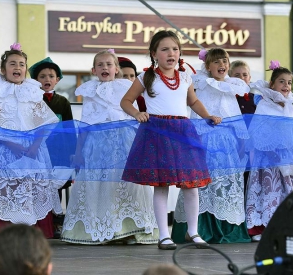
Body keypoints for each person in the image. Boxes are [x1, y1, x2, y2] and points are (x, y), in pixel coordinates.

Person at [120, 30, 221, 250]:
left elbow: (193, 102)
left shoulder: (185, 77)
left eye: (175, 49)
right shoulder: (146, 77)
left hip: (183, 132)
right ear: (154, 53)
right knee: (161, 185)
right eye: (165, 49)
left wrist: (207, 116)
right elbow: (126, 101)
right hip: (157, 133)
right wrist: (137, 113)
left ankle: (193, 232)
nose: (171, 53)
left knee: (191, 185)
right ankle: (163, 235)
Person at [61, 49, 158, 245]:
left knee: (128, 185)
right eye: (100, 65)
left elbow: (136, 117)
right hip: (98, 145)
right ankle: (102, 229)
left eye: (109, 64)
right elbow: (86, 123)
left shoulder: (126, 87)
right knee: (100, 185)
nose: (105, 67)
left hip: (124, 143)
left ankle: (131, 229)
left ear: (116, 69)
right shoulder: (89, 91)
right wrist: (79, 153)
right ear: (94, 70)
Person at [0, 43, 62, 243]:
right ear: (4, 70)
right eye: (12, 63)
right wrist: (13, 145)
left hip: (32, 150)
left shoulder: (33, 92)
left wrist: (34, 146)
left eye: (22, 64)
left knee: (29, 189)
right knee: (7, 189)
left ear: (25, 69)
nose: (18, 67)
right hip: (4, 149)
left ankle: (31, 232)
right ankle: (3, 232)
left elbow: (46, 121)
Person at [172, 48, 251, 244]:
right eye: (216, 62)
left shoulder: (231, 87)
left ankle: (226, 228)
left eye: (224, 61)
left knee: (225, 183)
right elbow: (196, 112)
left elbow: (235, 117)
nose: (221, 65)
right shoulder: (202, 85)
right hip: (205, 142)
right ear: (207, 66)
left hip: (227, 145)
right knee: (203, 183)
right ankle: (197, 229)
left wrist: (242, 140)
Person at [245, 60, 293, 242]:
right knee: (269, 189)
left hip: (289, 155)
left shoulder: (288, 105)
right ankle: (264, 227)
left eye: (289, 82)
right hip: (269, 156)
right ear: (272, 84)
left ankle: (291, 225)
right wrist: (271, 151)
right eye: (281, 81)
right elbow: (258, 131)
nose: (286, 85)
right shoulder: (265, 104)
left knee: (291, 188)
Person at [29, 57, 76, 238]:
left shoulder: (63, 102)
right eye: (42, 76)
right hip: (38, 150)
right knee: (38, 185)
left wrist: (72, 152)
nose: (46, 79)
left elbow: (70, 128)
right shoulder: (32, 101)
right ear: (34, 80)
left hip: (58, 151)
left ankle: (57, 222)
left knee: (56, 186)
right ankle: (39, 222)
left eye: (51, 76)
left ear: (57, 79)